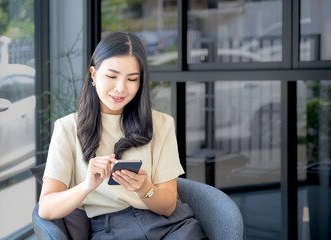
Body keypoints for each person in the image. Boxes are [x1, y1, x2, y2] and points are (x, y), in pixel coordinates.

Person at [39, 31, 207, 240]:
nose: (120, 88)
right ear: (93, 74)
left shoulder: (162, 124)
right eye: (111, 76)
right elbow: (45, 208)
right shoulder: (67, 128)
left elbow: (168, 206)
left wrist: (145, 189)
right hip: (110, 230)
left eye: (132, 79)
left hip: (168, 227)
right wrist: (87, 186)